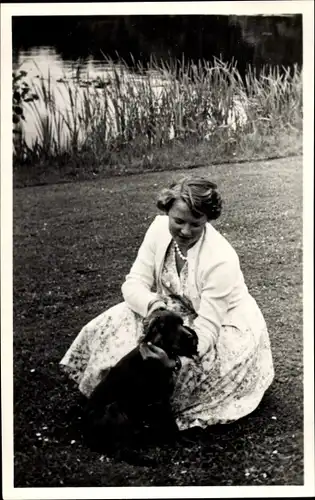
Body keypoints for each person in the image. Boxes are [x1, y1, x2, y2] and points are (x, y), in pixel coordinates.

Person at [60, 177, 274, 431]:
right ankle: (106, 395)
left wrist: (176, 360)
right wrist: (153, 306)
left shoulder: (222, 259)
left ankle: (149, 409)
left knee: (180, 368)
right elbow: (134, 283)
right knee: (112, 322)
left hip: (223, 322)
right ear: (167, 212)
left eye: (196, 224)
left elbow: (207, 327)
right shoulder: (158, 229)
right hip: (175, 309)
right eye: (178, 221)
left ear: (208, 220)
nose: (185, 231)